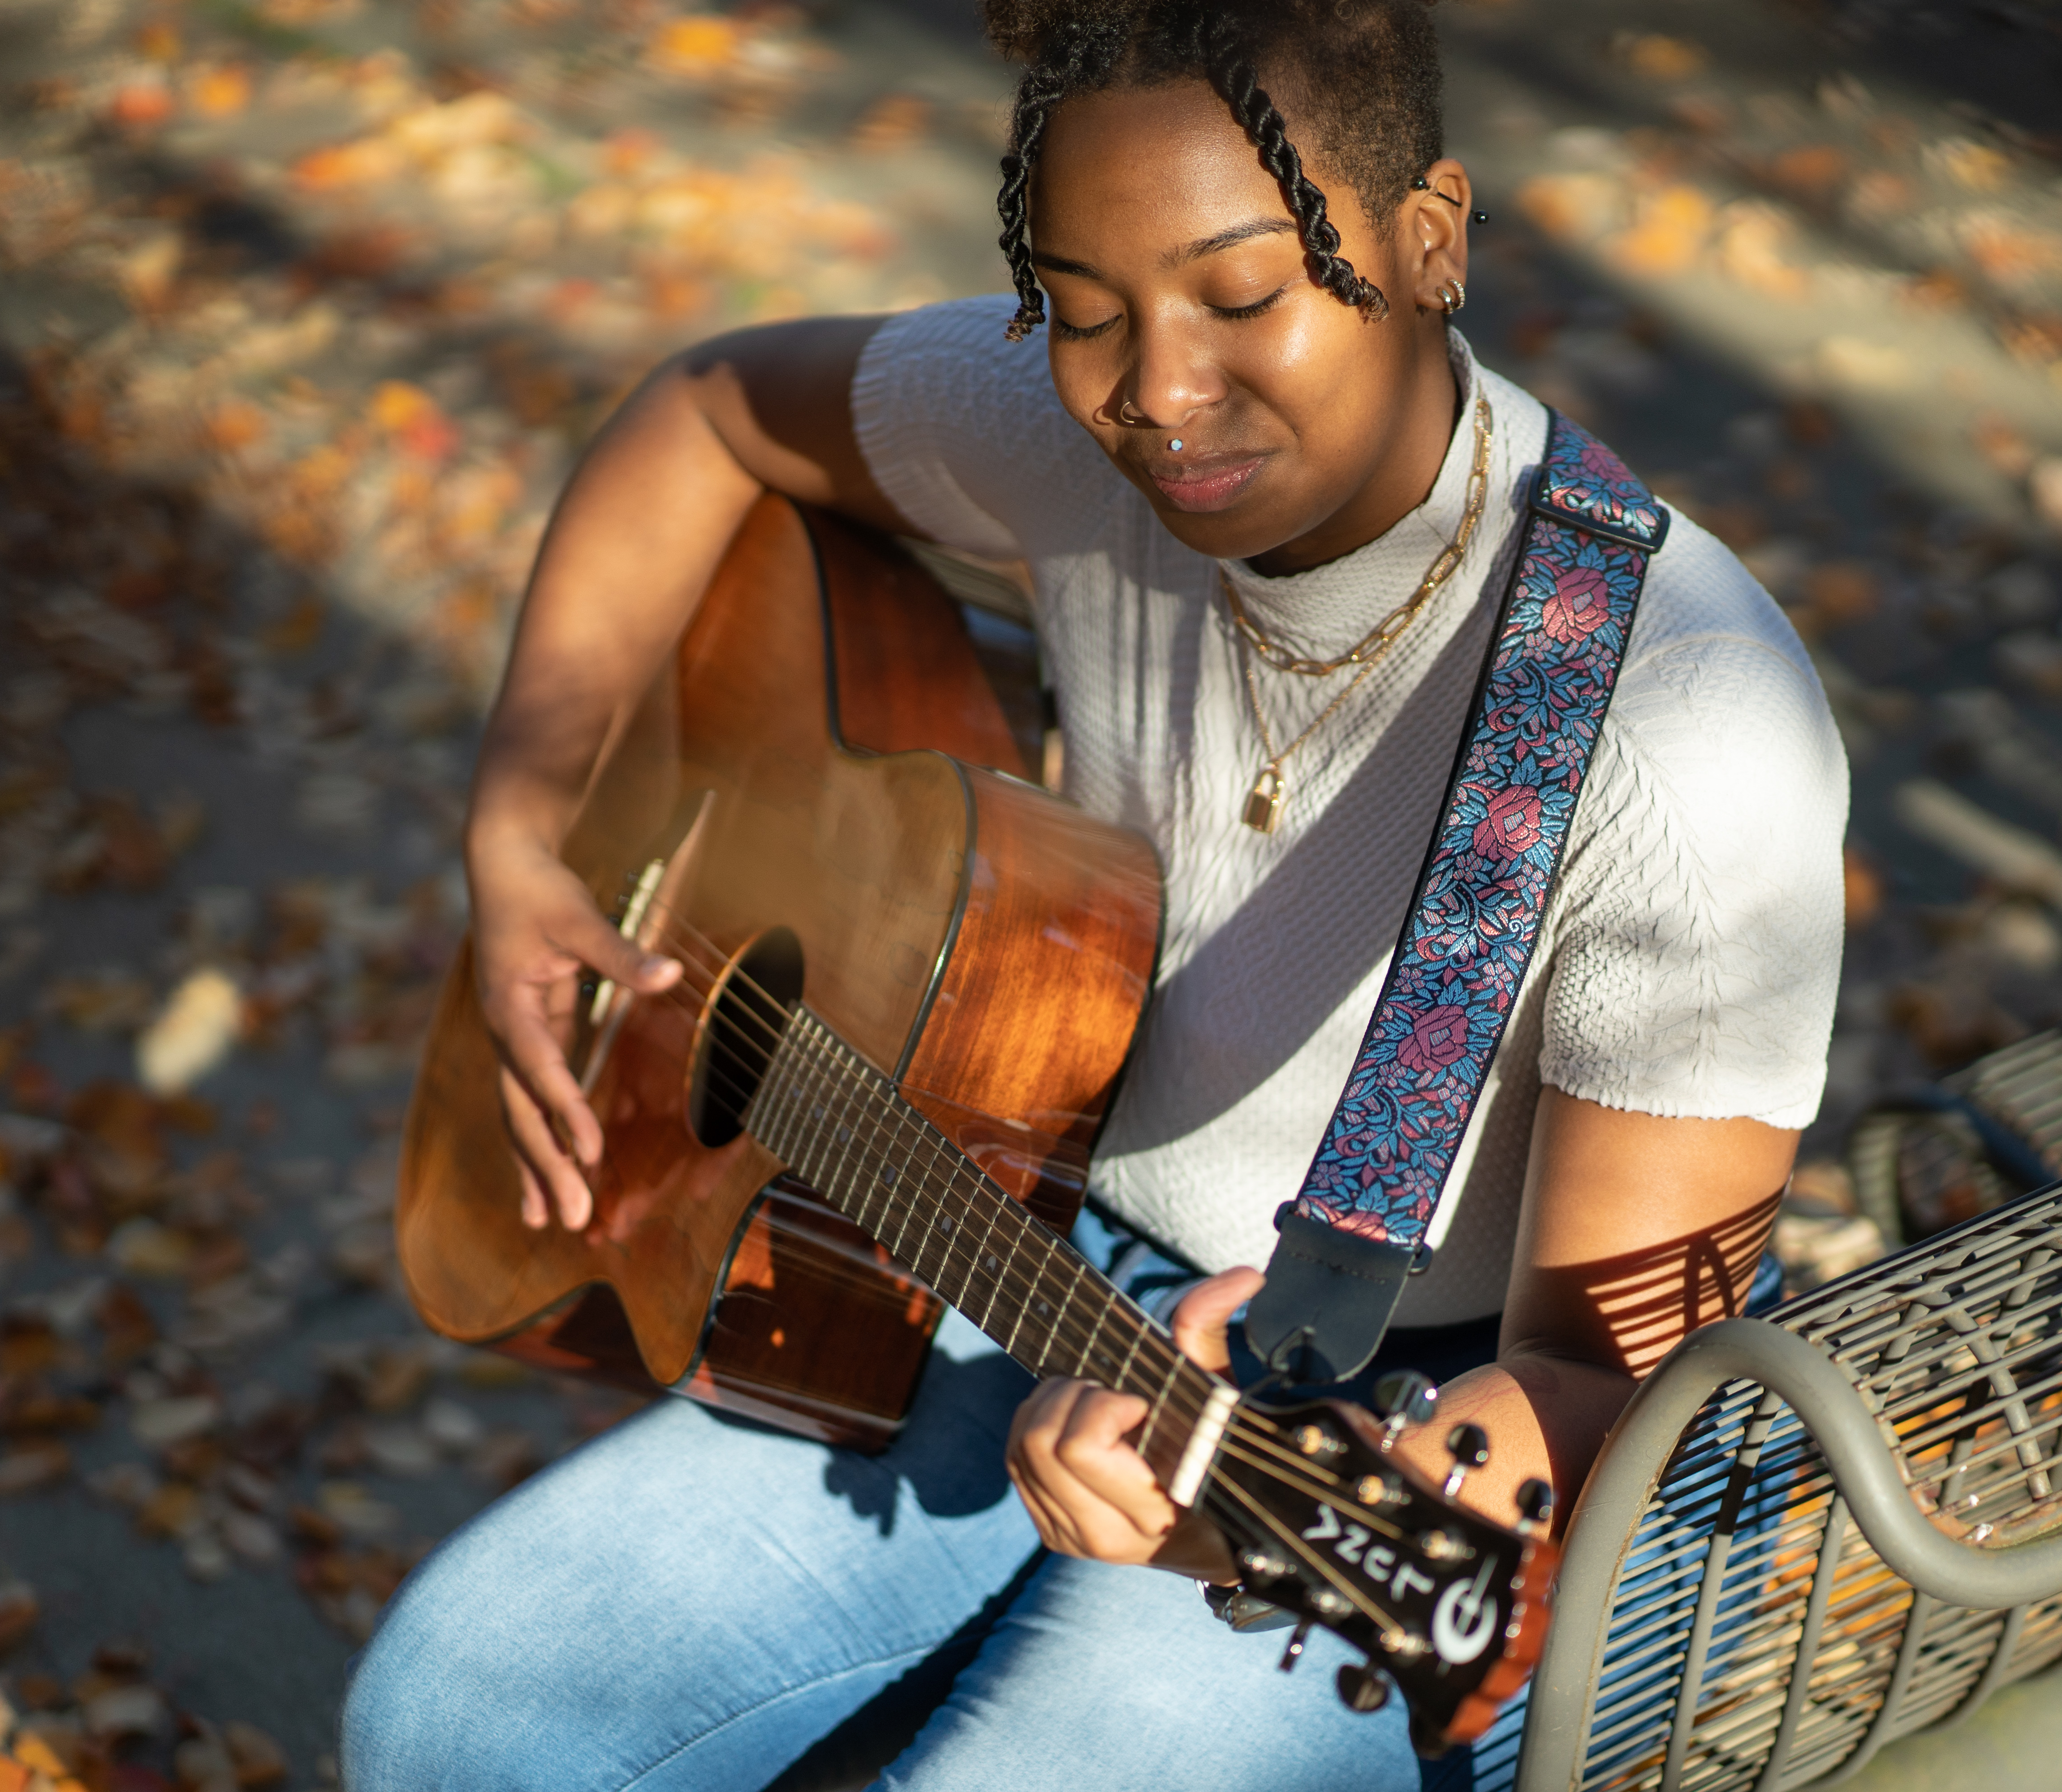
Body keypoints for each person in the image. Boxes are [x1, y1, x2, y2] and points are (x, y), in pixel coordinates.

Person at [341, 0, 1846, 1786]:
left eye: (1243, 295)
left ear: (1430, 239)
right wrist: (523, 833)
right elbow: (706, 412)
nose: (1159, 395)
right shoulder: (1072, 442)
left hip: (1391, 1412)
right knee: (444, 1712)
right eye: (1080, 310)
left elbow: (1616, 1391)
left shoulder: (1678, 725)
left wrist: (1275, 1511)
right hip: (1018, 1222)